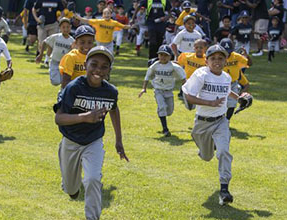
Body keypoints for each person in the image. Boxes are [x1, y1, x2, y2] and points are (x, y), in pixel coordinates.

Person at [54, 46, 128, 220]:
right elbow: (59, 118)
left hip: (93, 141)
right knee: (72, 190)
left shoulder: (110, 92)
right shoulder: (74, 87)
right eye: (94, 64)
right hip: (71, 141)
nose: (98, 70)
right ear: (86, 64)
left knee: (93, 179)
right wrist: (84, 117)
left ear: (109, 70)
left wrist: (119, 140)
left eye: (104, 67)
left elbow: (114, 110)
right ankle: (72, 189)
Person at [182, 44, 250, 206]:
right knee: (206, 157)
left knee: (224, 152)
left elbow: (227, 91)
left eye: (221, 58)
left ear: (226, 61)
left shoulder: (226, 77)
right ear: (206, 61)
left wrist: (240, 97)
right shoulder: (201, 75)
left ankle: (224, 189)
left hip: (221, 121)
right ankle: (208, 146)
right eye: (213, 58)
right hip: (202, 123)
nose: (217, 62)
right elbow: (189, 96)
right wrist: (209, 103)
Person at [138, 45, 186, 137]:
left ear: (170, 56)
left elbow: (183, 77)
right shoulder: (155, 65)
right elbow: (147, 77)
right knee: (162, 107)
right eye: (161, 55)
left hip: (169, 91)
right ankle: (165, 129)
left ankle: (161, 111)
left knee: (169, 111)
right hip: (158, 90)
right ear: (158, 56)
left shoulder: (173, 66)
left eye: (165, 55)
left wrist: (185, 89)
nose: (163, 57)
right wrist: (144, 88)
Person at [36, 18, 75, 86]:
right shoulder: (56, 37)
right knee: (55, 82)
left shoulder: (72, 41)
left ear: (70, 27)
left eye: (67, 27)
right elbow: (45, 42)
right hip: (54, 62)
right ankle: (53, 73)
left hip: (65, 64)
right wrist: (41, 54)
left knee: (65, 82)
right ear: (60, 28)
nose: (66, 29)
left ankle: (62, 90)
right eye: (63, 27)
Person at [220, 38, 251, 120]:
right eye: (225, 51)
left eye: (229, 51)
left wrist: (246, 55)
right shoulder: (217, 57)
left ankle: (227, 120)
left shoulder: (236, 56)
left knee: (232, 103)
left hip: (233, 83)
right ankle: (219, 120)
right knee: (220, 103)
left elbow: (249, 63)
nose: (227, 53)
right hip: (220, 83)